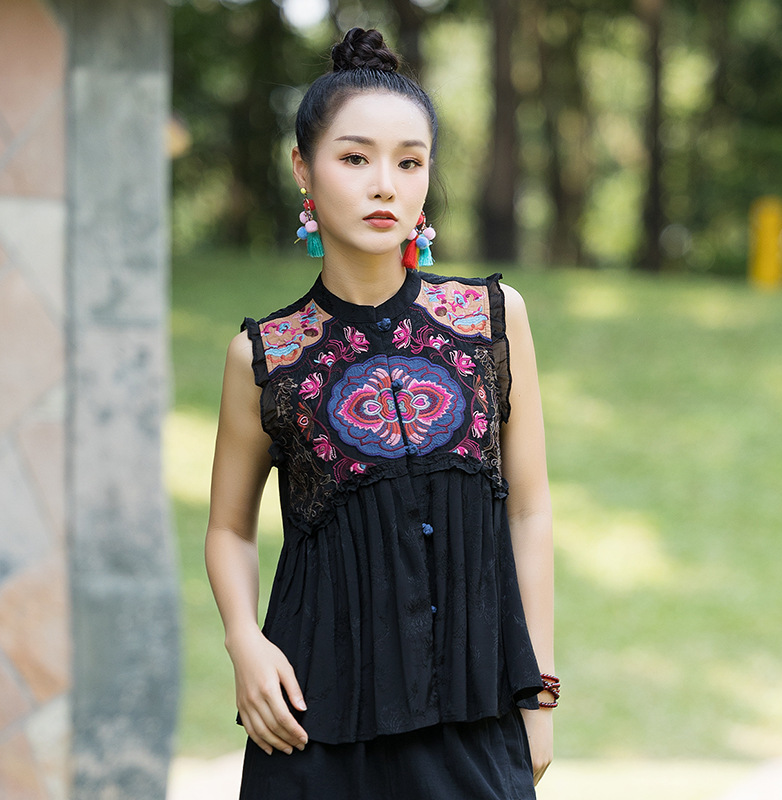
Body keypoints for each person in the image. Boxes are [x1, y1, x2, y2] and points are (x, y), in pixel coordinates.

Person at [205, 27, 556, 799]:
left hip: (473, 718)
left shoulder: (491, 320)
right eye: (356, 158)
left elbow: (529, 511)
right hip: (313, 731)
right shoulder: (266, 355)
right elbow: (230, 528)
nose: (385, 185)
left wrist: (540, 694)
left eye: (410, 161)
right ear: (304, 168)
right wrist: (244, 642)